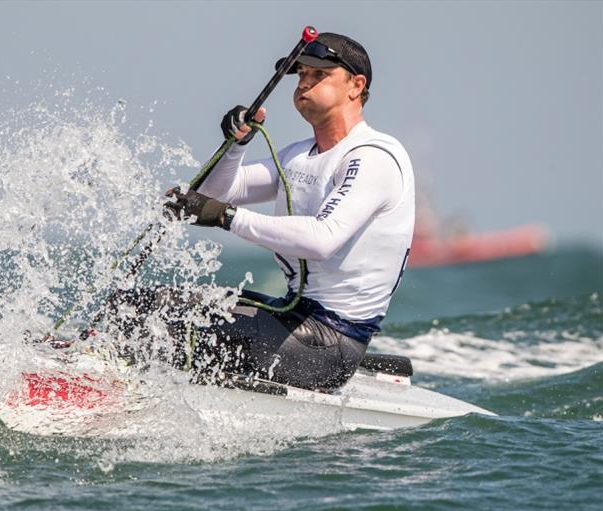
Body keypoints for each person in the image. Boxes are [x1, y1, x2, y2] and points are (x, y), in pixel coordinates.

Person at [116, 32, 415, 392]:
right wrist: (236, 147)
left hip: (330, 345)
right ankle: (97, 366)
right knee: (140, 304)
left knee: (163, 325)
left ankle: (113, 383)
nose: (304, 83)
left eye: (318, 75)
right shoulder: (299, 155)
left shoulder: (373, 157)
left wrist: (226, 217)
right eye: (301, 74)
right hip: (292, 315)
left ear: (356, 85)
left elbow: (322, 240)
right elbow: (216, 193)